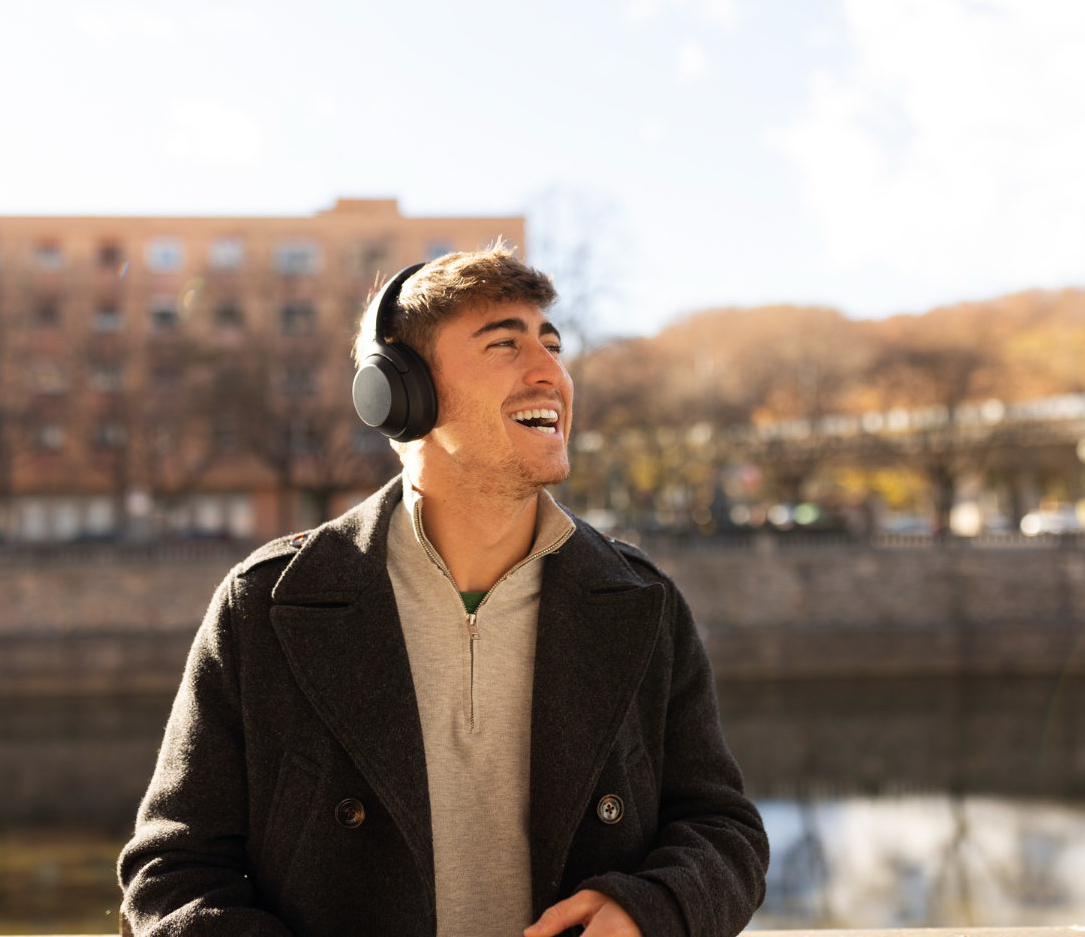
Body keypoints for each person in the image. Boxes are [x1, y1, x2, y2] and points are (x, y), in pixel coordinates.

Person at [118, 243, 768, 937]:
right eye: (504, 345)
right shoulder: (266, 607)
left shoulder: (644, 603)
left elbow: (724, 830)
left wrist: (653, 909)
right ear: (401, 393)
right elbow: (173, 873)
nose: (550, 372)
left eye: (552, 345)